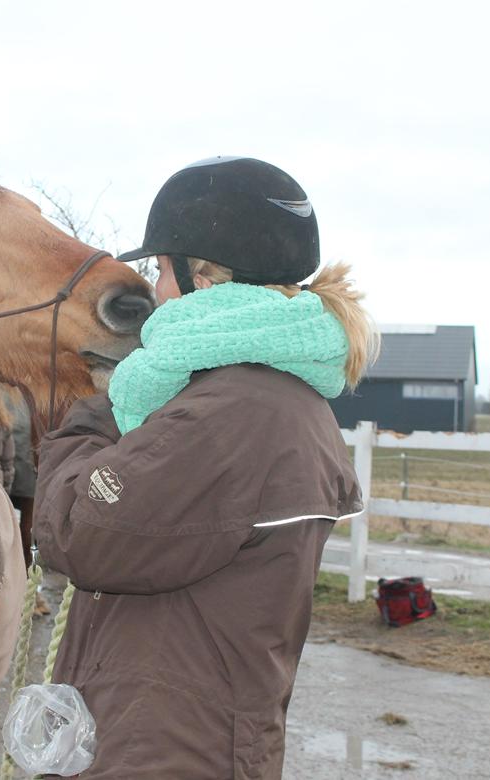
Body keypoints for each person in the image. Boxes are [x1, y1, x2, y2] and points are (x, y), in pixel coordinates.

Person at [33, 157, 378, 778]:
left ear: (205, 278)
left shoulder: (230, 412)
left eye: (161, 269)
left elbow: (80, 535)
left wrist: (91, 418)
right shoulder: (268, 395)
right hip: (186, 735)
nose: (156, 289)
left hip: (162, 749)